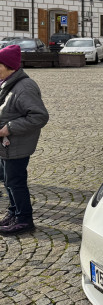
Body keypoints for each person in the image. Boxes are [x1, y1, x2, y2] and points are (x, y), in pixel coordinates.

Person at [0, 44, 49, 235]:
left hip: (16, 146)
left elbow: (39, 116)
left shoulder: (24, 87)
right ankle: (14, 212)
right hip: (6, 146)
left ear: (9, 66)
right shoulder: (7, 82)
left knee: (16, 182)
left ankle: (24, 219)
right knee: (8, 181)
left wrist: (9, 128)